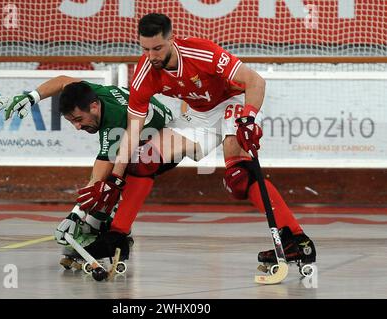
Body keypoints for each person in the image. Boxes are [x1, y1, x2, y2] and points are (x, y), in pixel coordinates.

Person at [77, 13, 316, 267]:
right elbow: (132, 129)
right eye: (145, 49)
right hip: (199, 115)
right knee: (142, 160)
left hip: (233, 103)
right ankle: (117, 237)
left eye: (157, 48)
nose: (152, 56)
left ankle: (297, 241)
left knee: (239, 177)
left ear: (171, 39)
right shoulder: (145, 72)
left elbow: (254, 81)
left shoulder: (200, 52)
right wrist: (115, 178)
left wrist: (248, 118)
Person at [0, 76, 199, 266]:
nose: (77, 127)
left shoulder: (114, 122)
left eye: (79, 120)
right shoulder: (92, 93)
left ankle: (113, 235)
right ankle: (108, 229)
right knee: (111, 183)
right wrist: (31, 97)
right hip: (145, 132)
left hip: (167, 144)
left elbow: (99, 174)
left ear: (94, 106)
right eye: (72, 121)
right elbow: (64, 81)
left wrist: (76, 214)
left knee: (114, 178)